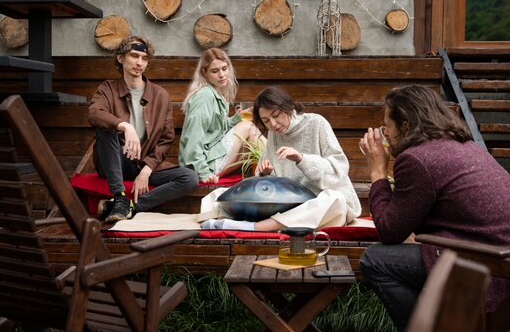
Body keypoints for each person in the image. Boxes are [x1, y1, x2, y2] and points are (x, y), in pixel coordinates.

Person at [358, 84, 510, 332]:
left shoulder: (417, 159)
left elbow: (389, 231)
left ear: (406, 125)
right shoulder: (464, 146)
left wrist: (376, 171)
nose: (385, 135)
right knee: (421, 258)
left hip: (499, 270)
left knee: (376, 260)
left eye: (387, 128)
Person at [202, 86, 361, 231]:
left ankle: (254, 227)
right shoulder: (274, 134)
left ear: (288, 106)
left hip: (316, 201)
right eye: (266, 121)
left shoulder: (316, 123)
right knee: (220, 194)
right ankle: (223, 221)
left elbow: (339, 167)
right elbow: (269, 186)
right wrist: (265, 173)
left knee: (336, 200)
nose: (273, 124)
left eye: (276, 115)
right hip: (289, 204)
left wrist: (301, 159)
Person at [88, 35, 198, 223]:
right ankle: (120, 196)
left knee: (190, 178)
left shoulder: (160, 95)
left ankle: (129, 207)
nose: (140, 63)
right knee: (105, 129)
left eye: (144, 58)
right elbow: (94, 113)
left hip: (144, 162)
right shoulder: (107, 88)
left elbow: (166, 139)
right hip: (116, 162)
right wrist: (124, 126)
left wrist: (146, 170)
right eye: (134, 56)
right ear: (121, 58)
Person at [178, 48, 265, 184]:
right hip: (204, 166)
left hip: (213, 157)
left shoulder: (215, 93)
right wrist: (204, 173)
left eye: (225, 68)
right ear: (204, 72)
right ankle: (279, 168)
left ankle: (269, 174)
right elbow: (193, 139)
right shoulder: (204, 96)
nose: (222, 75)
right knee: (248, 127)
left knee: (251, 143)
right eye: (215, 71)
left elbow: (216, 132)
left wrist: (236, 119)